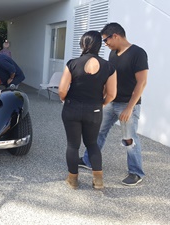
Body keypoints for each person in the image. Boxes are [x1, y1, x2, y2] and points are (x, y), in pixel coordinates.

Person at [79, 23, 149, 186]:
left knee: (129, 138)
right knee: (98, 132)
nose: (105, 44)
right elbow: (110, 79)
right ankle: (88, 160)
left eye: (105, 40)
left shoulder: (138, 53)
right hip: (112, 102)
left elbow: (142, 82)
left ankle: (136, 172)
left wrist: (130, 107)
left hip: (128, 104)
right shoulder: (112, 54)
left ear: (115, 35)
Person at [58, 31, 117, 190]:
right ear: (99, 45)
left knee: (73, 145)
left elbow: (62, 90)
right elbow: (112, 94)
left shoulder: (72, 63)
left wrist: (65, 100)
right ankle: (98, 181)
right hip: (94, 110)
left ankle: (73, 180)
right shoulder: (109, 67)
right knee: (92, 144)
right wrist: (101, 104)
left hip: (72, 108)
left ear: (82, 44)